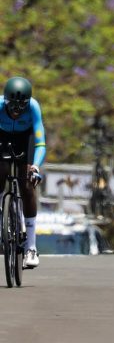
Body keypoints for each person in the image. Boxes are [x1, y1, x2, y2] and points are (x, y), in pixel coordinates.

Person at [0, 77, 46, 268]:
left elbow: (40, 143)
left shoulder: (33, 107)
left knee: (27, 184)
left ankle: (31, 247)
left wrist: (35, 167)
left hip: (24, 139)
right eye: (12, 106)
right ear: (5, 101)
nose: (17, 111)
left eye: (22, 107)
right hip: (1, 136)